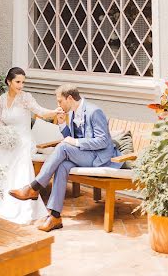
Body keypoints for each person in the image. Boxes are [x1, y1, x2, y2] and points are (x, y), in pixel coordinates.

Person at [9, 83, 121, 232]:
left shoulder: (95, 111)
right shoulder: (74, 113)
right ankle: (55, 216)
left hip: (99, 157)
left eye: (60, 101)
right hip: (85, 155)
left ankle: (34, 187)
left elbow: (103, 141)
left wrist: (75, 141)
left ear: (69, 98)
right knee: (62, 166)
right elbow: (70, 139)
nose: (58, 105)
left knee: (62, 146)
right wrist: (62, 124)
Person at [0, 67, 58, 224]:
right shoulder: (2, 98)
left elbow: (40, 112)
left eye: (23, 82)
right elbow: (1, 120)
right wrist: (0, 137)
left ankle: (22, 199)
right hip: (7, 139)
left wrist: (54, 112)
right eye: (17, 82)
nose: (21, 85)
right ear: (9, 81)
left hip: (24, 140)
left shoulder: (26, 98)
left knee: (18, 154)